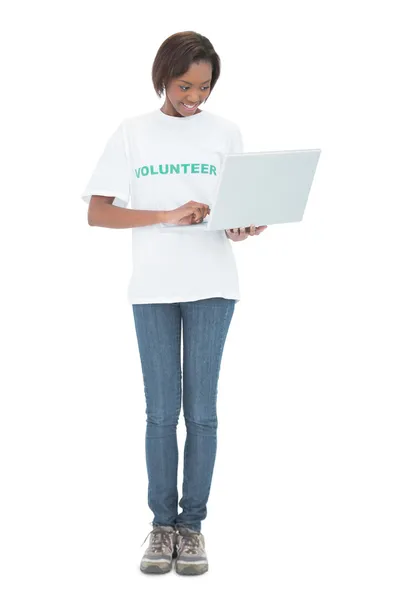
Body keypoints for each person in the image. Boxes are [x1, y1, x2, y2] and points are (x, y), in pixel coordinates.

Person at [81, 30, 268, 576]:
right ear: (163, 77)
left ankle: (193, 529)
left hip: (213, 285)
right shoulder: (132, 133)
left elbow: (237, 210)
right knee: (161, 414)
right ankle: (161, 526)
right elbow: (98, 212)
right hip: (154, 289)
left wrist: (242, 225)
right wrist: (164, 215)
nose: (194, 97)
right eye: (185, 85)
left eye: (204, 87)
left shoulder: (226, 132)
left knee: (202, 414)